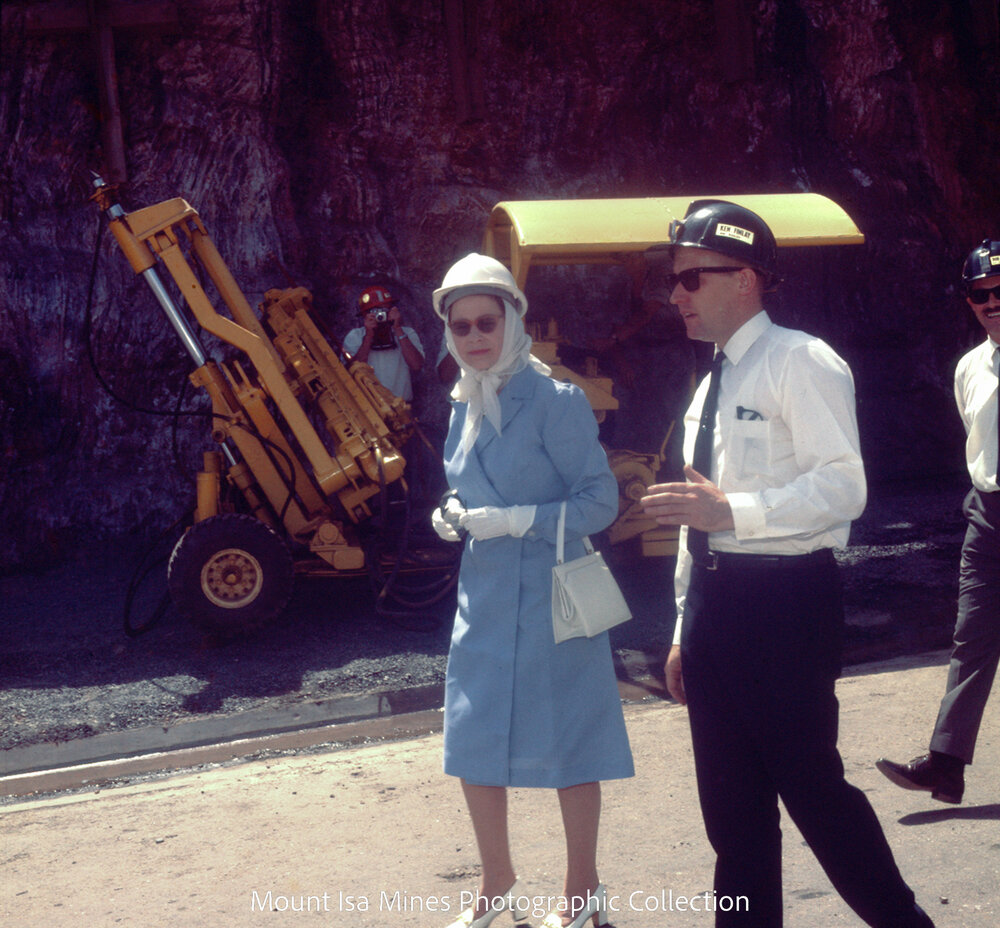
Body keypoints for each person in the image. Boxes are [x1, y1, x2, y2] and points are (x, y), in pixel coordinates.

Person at [640, 200, 935, 928]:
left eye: (689, 279)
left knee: (815, 796)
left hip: (784, 608)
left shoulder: (800, 361)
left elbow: (844, 487)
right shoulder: (711, 382)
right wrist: (684, 624)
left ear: (744, 278)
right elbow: (693, 514)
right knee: (731, 821)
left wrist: (732, 513)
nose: (674, 294)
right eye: (672, 279)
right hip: (716, 615)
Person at [430, 252, 633, 928]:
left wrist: (521, 521)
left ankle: (583, 893)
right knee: (472, 736)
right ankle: (497, 882)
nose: (475, 337)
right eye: (461, 327)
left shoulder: (557, 400)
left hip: (558, 592)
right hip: (484, 597)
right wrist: (453, 513)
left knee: (574, 741)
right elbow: (468, 486)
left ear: (512, 319)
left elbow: (602, 501)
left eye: (487, 321)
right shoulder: (463, 401)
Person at [876, 239, 1000, 804]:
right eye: (980, 294)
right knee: (971, 638)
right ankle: (946, 765)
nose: (992, 302)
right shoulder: (969, 368)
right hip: (988, 516)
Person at [342, 285, 424, 401]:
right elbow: (353, 371)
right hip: (370, 407)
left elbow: (416, 365)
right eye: (375, 312)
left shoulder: (407, 333)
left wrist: (398, 328)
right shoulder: (355, 336)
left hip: (402, 407)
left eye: (384, 310)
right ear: (364, 315)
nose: (380, 316)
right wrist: (368, 336)